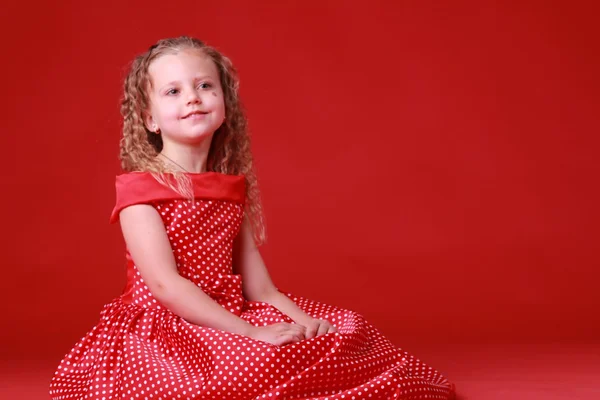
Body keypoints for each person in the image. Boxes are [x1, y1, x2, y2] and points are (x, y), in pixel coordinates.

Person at [49, 36, 455, 400]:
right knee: (255, 360)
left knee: (347, 329)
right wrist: (250, 332)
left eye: (204, 86)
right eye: (173, 91)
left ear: (224, 104)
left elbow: (261, 289)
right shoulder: (141, 191)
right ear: (150, 118)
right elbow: (166, 286)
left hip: (232, 312)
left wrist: (308, 322)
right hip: (167, 329)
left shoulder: (228, 190)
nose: (193, 97)